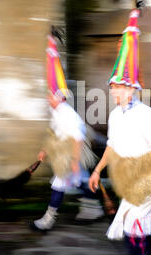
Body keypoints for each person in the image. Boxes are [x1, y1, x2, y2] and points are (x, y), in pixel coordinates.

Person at [88, 8, 151, 255]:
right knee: (143, 232)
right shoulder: (115, 115)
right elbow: (112, 145)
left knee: (133, 231)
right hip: (131, 185)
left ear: (131, 89)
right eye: (112, 87)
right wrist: (97, 171)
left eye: (117, 87)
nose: (112, 91)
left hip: (148, 184)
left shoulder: (150, 116)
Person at [28, 32, 103, 231]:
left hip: (73, 151)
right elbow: (53, 132)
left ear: (59, 98)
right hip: (66, 151)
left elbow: (78, 138)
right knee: (81, 181)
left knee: (60, 183)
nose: (47, 98)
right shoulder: (55, 112)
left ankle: (48, 220)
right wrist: (45, 150)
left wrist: (75, 162)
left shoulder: (67, 114)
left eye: (50, 95)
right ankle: (94, 207)